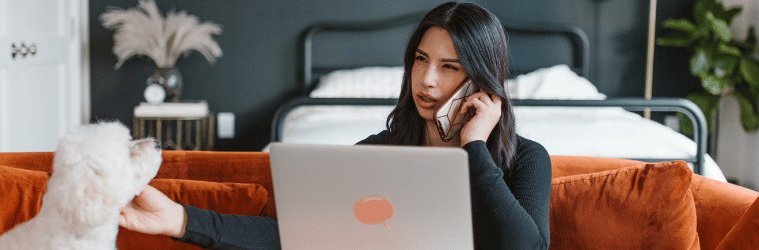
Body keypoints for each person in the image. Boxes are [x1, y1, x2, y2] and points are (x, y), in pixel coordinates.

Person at [119, 2, 551, 250]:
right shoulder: (376, 154)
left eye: (449, 67)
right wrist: (179, 219)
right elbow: (298, 236)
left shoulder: (526, 159)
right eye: (420, 60)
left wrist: (475, 148)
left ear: (481, 79)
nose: (428, 80)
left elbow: (525, 247)